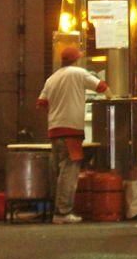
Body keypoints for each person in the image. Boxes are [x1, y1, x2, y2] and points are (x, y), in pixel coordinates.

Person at [36, 46, 112, 224]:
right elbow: (102, 87)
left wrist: (58, 108)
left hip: (54, 130)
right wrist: (111, 97)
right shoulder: (79, 73)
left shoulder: (52, 78)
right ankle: (63, 213)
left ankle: (57, 210)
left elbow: (41, 103)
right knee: (69, 172)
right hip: (71, 129)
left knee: (58, 171)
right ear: (77, 60)